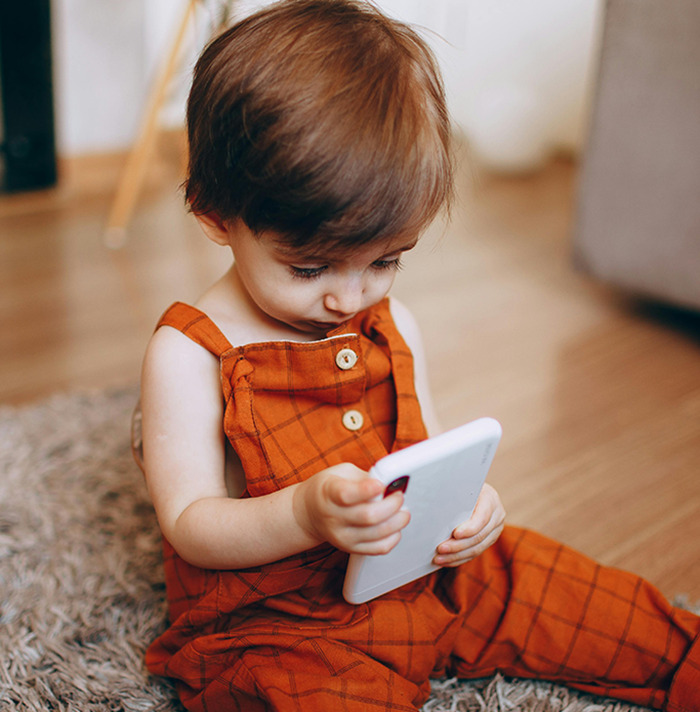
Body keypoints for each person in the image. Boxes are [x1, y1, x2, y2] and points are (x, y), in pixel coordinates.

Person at [135, 1, 700, 710]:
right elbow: (190, 526)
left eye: (385, 260)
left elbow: (423, 456)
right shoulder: (189, 352)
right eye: (310, 270)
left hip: (423, 574)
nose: (350, 297)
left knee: (591, 603)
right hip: (283, 625)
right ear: (215, 215)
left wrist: (468, 511)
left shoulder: (390, 320)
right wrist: (305, 516)